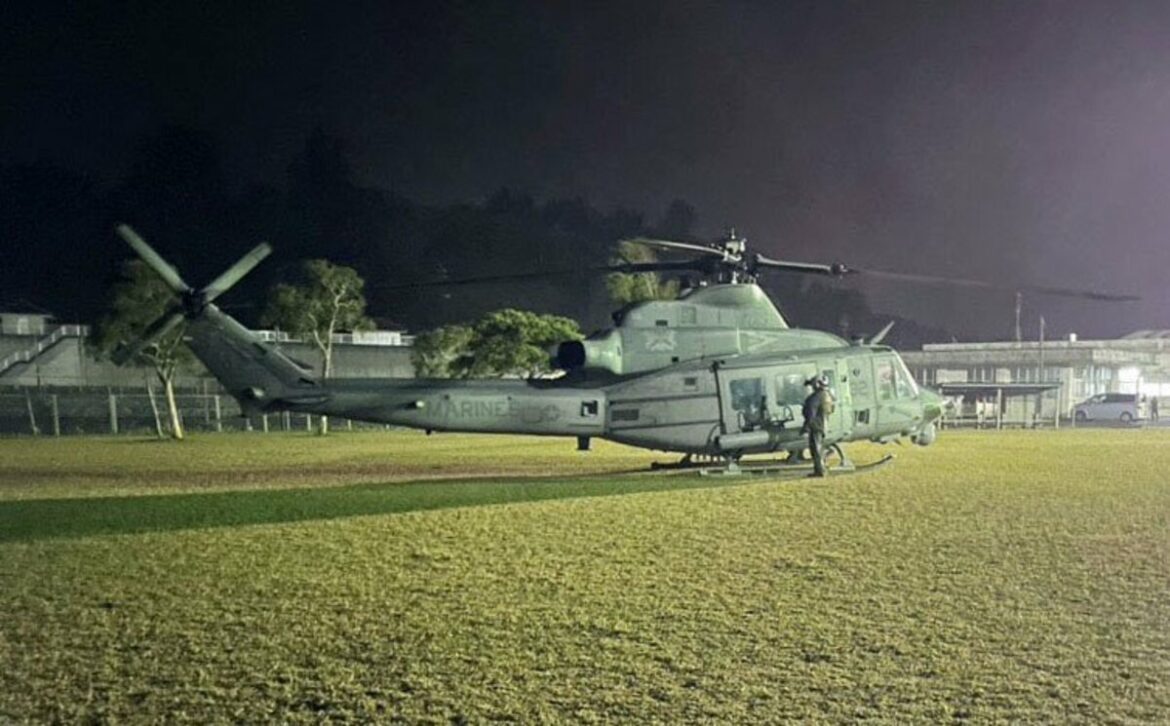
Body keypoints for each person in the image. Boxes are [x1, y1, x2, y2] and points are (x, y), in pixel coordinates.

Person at [801, 375, 835, 477]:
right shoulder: (828, 396)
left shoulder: (815, 397)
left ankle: (820, 470)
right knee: (819, 447)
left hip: (816, 426)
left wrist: (806, 427)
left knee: (816, 449)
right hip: (823, 425)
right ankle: (820, 468)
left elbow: (811, 414)